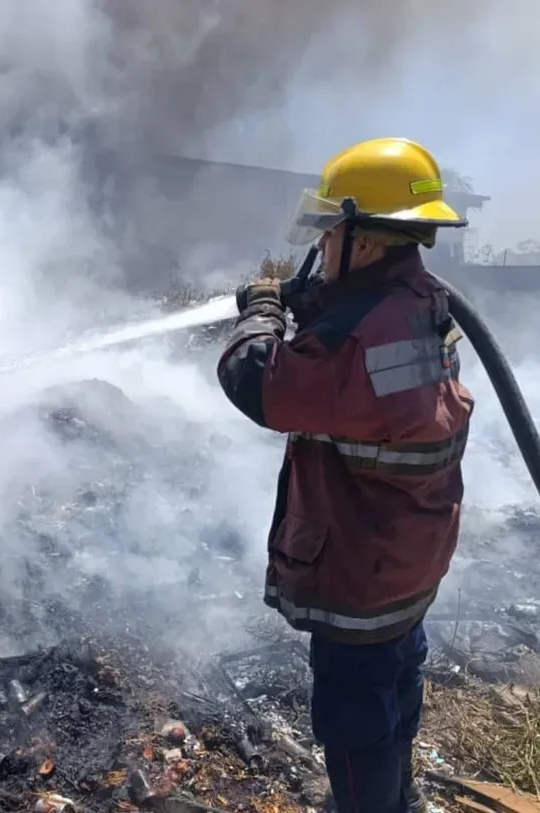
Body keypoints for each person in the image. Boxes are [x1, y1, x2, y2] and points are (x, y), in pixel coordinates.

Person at [216, 137, 475, 813]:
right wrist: (311, 300)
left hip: (360, 569)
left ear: (364, 239)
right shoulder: (417, 300)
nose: (323, 244)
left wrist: (262, 311)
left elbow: (254, 382)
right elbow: (367, 380)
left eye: (330, 232)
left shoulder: (357, 339)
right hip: (407, 554)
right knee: (396, 683)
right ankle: (398, 797)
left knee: (354, 721)